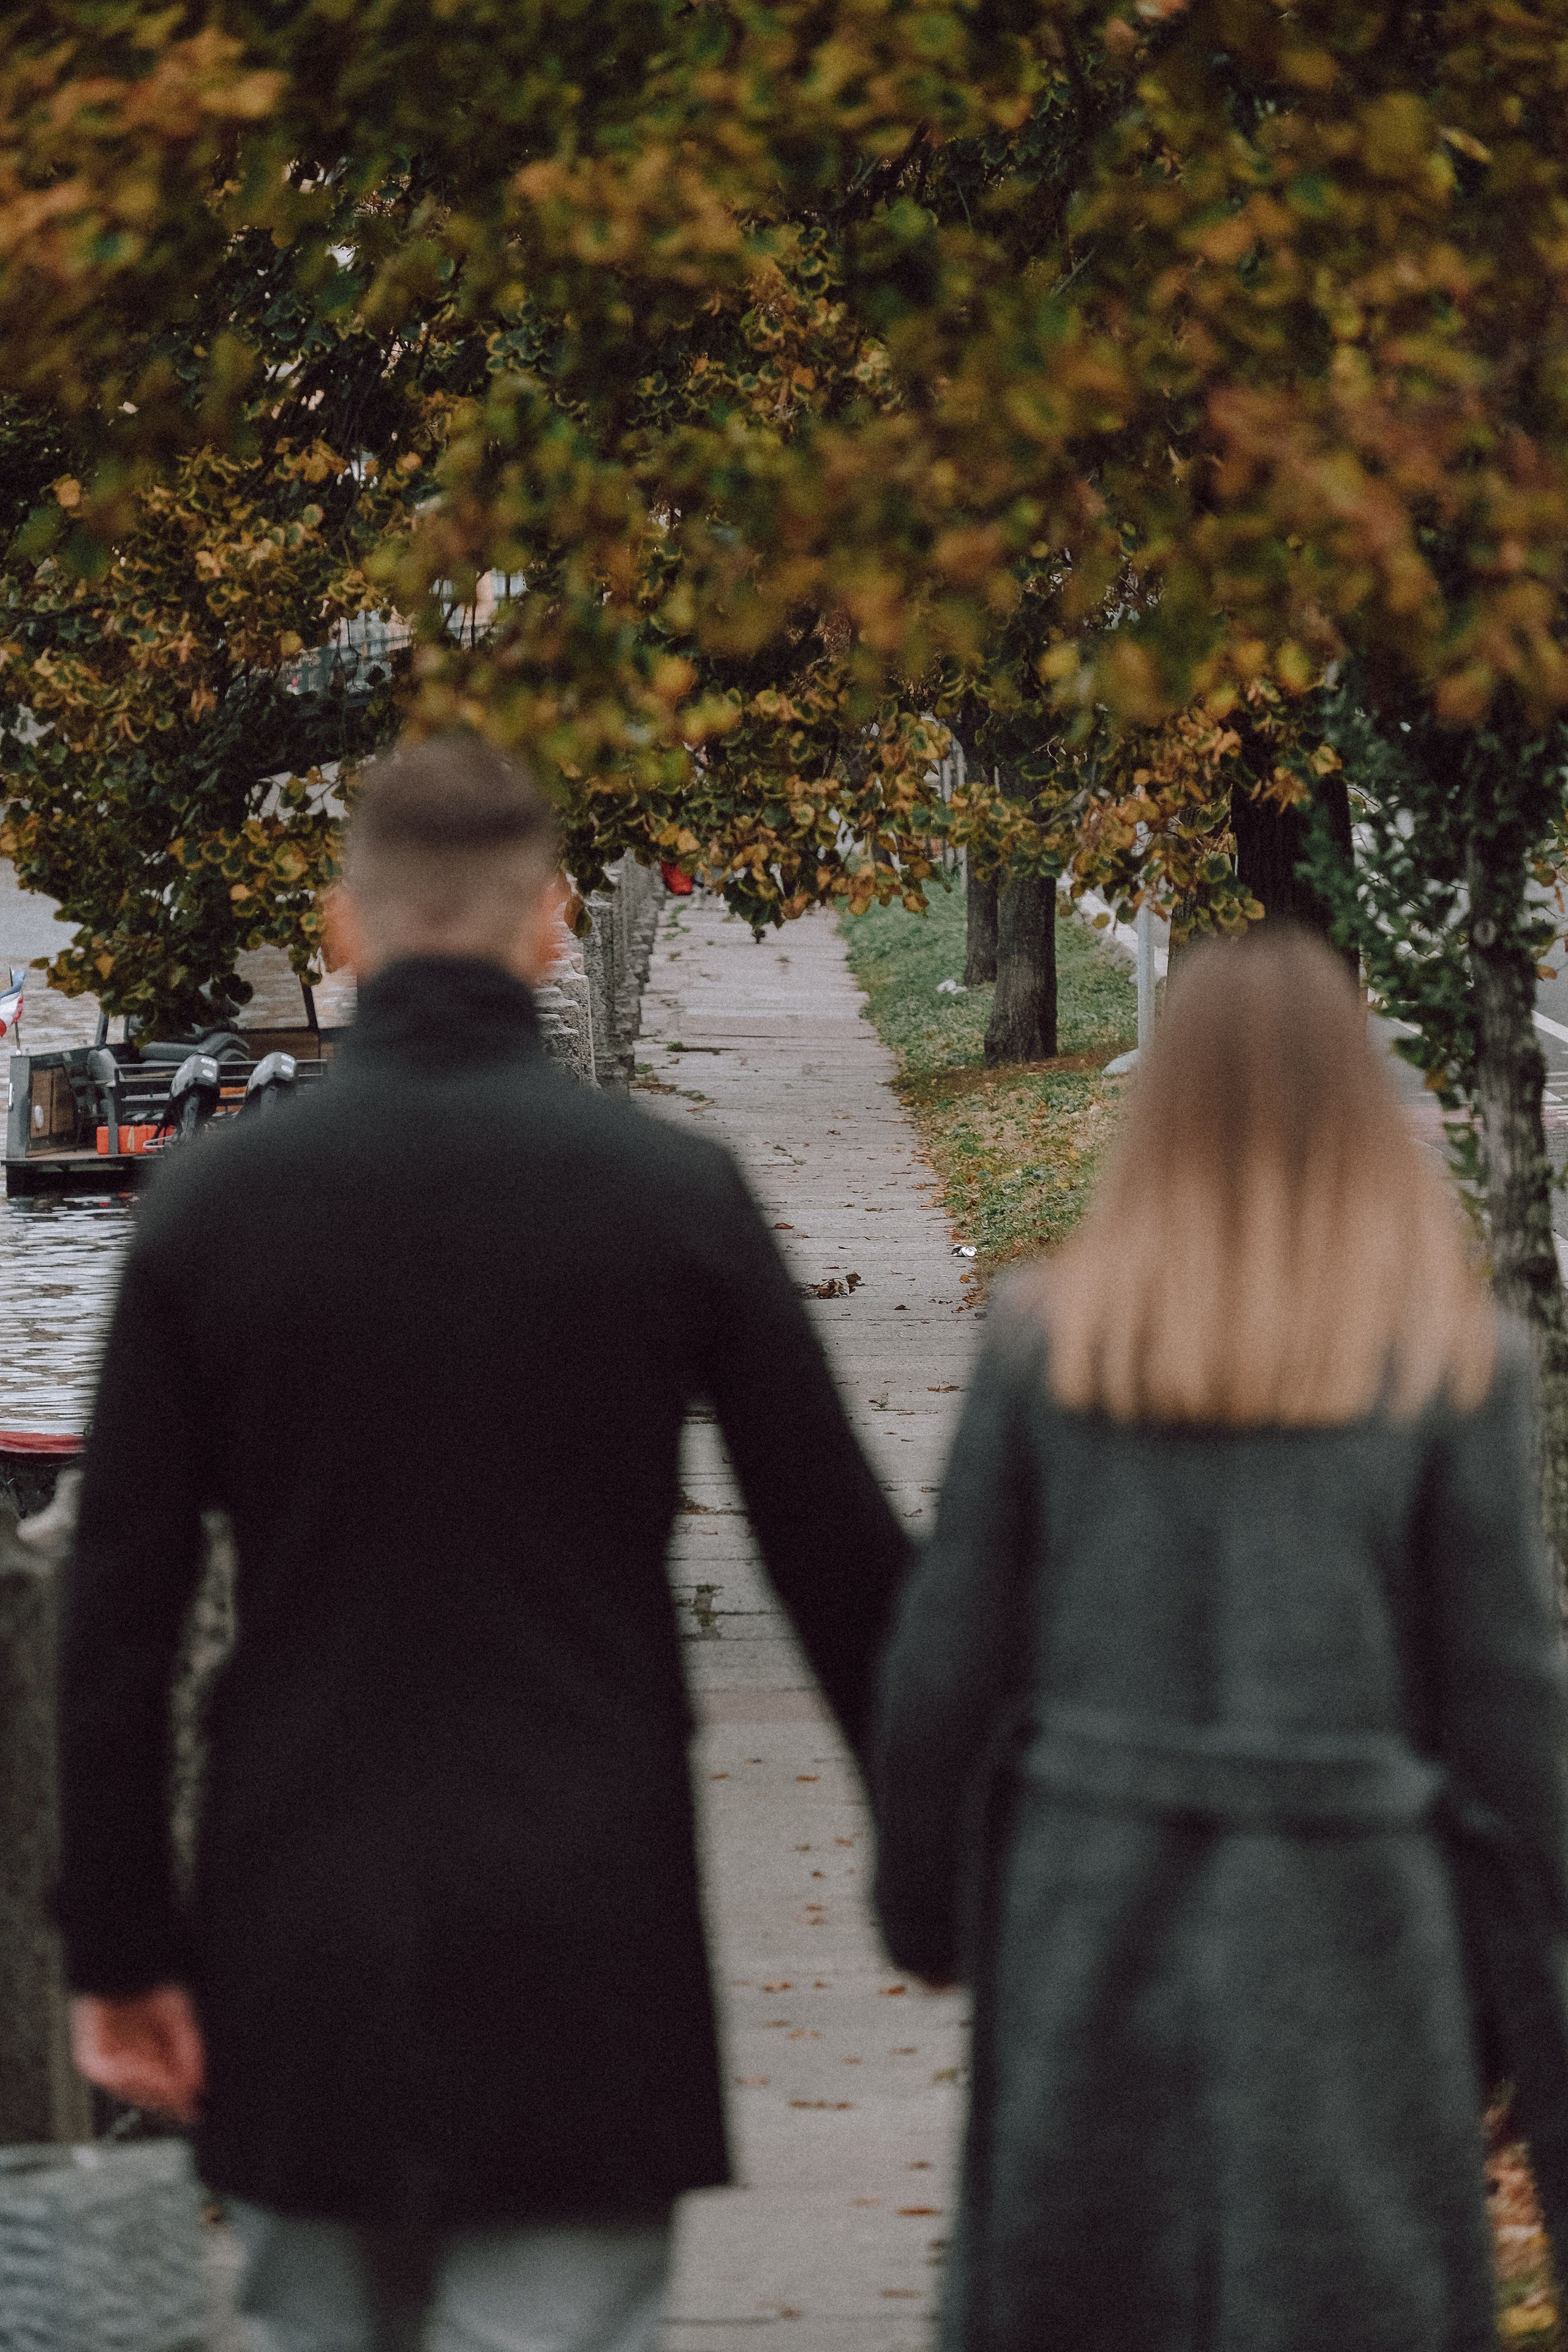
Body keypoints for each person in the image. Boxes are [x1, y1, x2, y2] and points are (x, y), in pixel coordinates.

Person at [58, 735, 910, 2352]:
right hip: (587, 1909)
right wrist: (939, 1875)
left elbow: (120, 1622)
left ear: (340, 929)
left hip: (299, 1909)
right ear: (547, 928)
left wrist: (120, 1944)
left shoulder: (215, 1212)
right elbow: (846, 1569)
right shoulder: (669, 1195)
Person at [873, 927, 1568, 2352]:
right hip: (1353, 1947)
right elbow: (1509, 1716)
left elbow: (945, 1672)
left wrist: (928, 1914)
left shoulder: (1043, 1345)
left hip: (1087, 1917)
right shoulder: (1452, 1368)